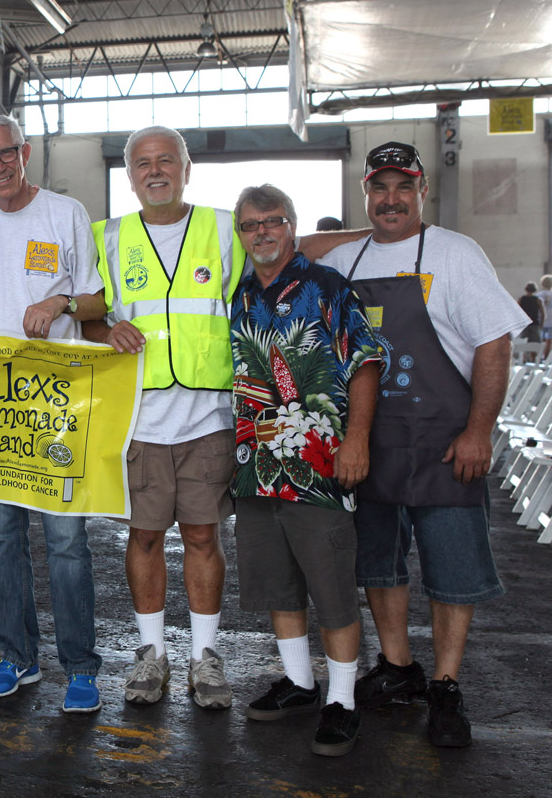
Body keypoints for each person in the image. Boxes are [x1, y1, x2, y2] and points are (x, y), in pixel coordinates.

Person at [86, 125, 367, 712]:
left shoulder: (224, 229)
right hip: (138, 418)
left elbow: (294, 247)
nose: (155, 170)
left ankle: (204, 656)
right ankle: (151, 653)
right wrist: (102, 329)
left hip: (210, 419)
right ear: (130, 175)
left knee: (202, 536)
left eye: (167, 159)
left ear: (187, 168)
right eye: (143, 163)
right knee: (142, 536)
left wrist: (383, 233)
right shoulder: (104, 237)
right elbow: (86, 308)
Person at [320, 141, 530, 747]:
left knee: (452, 567)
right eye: (380, 188)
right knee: (379, 562)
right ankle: (398, 667)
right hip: (370, 439)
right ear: (365, 192)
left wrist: (479, 431)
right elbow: (295, 250)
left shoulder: (456, 253)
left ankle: (445, 684)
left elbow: (494, 343)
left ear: (423, 191)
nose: (392, 199)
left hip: (444, 439)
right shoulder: (345, 260)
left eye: (403, 187)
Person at [0, 114, 107, 713]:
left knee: (66, 541)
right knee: (3, 539)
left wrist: (60, 300)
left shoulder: (65, 213)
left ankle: (81, 668)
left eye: (6, 154)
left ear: (25, 152)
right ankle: (16, 658)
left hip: (55, 404)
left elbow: (97, 299)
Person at [228, 184, 381, 756]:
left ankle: (342, 701)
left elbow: (366, 361)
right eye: (250, 225)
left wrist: (356, 439)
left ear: (291, 227)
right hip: (256, 466)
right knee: (279, 584)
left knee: (332, 588)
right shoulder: (238, 294)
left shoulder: (327, 286)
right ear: (240, 234)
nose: (262, 232)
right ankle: (299, 683)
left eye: (273, 221)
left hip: (319, 466)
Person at [537, 274, 552, 357]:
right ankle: (546, 357)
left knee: (542, 340)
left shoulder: (539, 295)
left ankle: (540, 356)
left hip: (542, 320)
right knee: (550, 340)